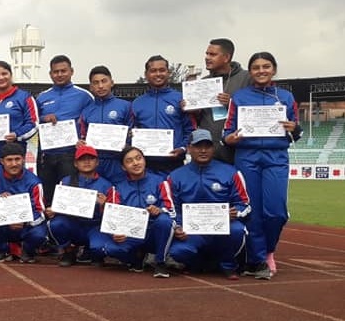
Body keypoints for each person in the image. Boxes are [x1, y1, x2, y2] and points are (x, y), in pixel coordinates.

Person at [223, 51, 301, 279]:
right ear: (251, 71)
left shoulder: (285, 97)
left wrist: (294, 128)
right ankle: (258, 259)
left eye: (266, 66)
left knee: (276, 212)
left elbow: (297, 132)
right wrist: (231, 139)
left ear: (274, 69)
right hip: (247, 157)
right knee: (252, 211)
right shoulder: (239, 97)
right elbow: (227, 133)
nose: (261, 71)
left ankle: (269, 249)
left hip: (276, 157)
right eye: (256, 67)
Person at [165, 129, 250, 279]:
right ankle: (198, 263)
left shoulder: (231, 172)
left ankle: (228, 265)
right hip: (192, 231)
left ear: (213, 148)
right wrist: (178, 226)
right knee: (178, 252)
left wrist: (235, 212)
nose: (203, 150)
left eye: (207, 146)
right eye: (198, 146)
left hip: (222, 229)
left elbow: (244, 204)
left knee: (237, 230)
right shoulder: (176, 176)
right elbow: (172, 208)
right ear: (189, 148)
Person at [87, 146, 175, 278]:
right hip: (131, 234)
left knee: (164, 221)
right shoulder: (117, 188)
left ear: (144, 160)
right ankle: (136, 259)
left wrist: (159, 210)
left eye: (138, 158)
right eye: (129, 161)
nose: (135, 163)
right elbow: (113, 217)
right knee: (111, 249)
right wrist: (115, 232)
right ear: (123, 167)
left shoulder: (160, 182)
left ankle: (160, 262)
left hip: (153, 233)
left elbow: (171, 210)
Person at [36, 55, 94, 204]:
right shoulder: (42, 97)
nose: (60, 74)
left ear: (71, 71)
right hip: (47, 155)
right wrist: (43, 118)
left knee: (70, 197)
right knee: (47, 197)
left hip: (71, 155)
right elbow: (34, 122)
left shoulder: (84, 96)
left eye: (63, 71)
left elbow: (92, 123)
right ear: (50, 74)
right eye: (56, 72)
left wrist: (84, 140)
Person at [45, 145, 113, 267]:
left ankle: (92, 251)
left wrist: (105, 206)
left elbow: (112, 217)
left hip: (94, 227)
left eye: (91, 159)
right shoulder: (65, 182)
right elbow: (59, 206)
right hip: (74, 224)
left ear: (97, 162)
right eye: (82, 159)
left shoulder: (107, 185)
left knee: (99, 249)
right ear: (75, 164)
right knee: (56, 224)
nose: (87, 162)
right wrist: (53, 210)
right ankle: (68, 251)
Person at [0, 142, 47, 263]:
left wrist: (25, 221)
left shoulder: (34, 182)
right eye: (9, 160)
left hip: (25, 225)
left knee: (40, 234)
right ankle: (1, 249)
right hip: (4, 223)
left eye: (17, 159)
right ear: (2, 161)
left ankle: (27, 251)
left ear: (23, 160)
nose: (14, 164)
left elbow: (41, 213)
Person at [188, 38, 250, 164]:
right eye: (207, 54)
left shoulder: (246, 78)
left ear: (226, 57)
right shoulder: (203, 83)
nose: (207, 58)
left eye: (213, 54)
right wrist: (193, 110)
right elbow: (200, 119)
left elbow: (256, 110)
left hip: (238, 149)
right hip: (211, 150)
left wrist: (231, 104)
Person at [132, 55, 194, 176]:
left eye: (162, 70)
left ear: (168, 73)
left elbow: (190, 129)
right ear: (146, 74)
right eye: (153, 71)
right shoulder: (137, 103)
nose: (158, 74)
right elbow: (132, 131)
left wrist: (182, 148)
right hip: (146, 167)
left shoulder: (181, 99)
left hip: (174, 164)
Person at [0, 61, 39, 173]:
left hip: (13, 158)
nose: (1, 77)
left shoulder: (24, 97)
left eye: (4, 74)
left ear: (11, 75)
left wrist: (16, 135)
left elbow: (33, 124)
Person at [79, 65, 133, 183]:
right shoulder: (86, 111)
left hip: (118, 163)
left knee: (119, 193)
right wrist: (81, 143)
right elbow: (83, 137)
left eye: (104, 81)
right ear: (91, 87)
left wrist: (127, 145)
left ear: (112, 83)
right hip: (95, 164)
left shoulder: (125, 106)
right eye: (96, 83)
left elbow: (133, 133)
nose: (100, 86)